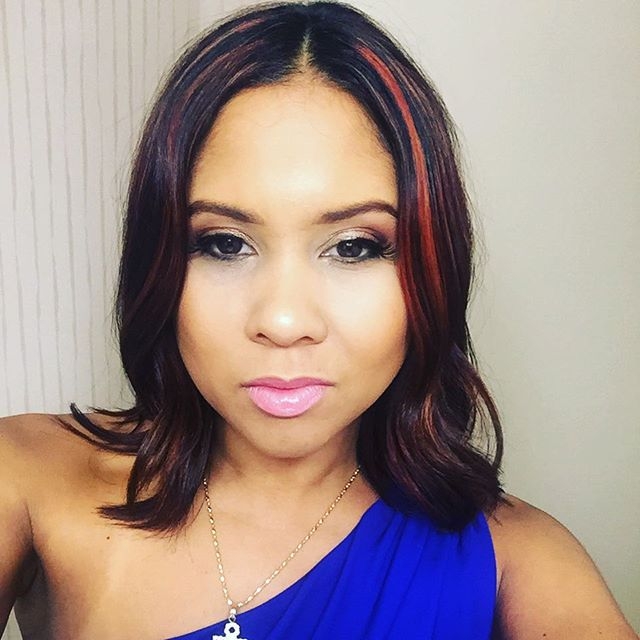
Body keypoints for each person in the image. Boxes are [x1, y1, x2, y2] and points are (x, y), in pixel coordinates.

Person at [0, 2, 636, 639]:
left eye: (354, 247)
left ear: (434, 269)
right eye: (224, 243)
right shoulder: (29, 478)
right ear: (158, 261)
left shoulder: (521, 560)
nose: (283, 321)